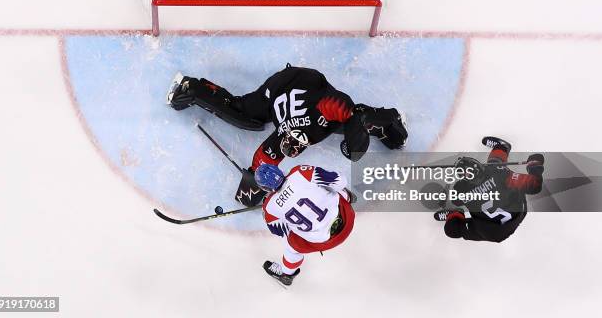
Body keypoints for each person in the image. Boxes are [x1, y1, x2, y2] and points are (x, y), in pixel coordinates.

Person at [167, 64, 408, 206]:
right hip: (278, 90)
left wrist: (355, 142)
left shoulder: (326, 109)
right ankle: (190, 87)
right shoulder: (282, 136)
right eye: (292, 148)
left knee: (351, 121)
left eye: (295, 148)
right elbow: (263, 159)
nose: (293, 151)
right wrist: (254, 185)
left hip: (308, 86)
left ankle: (389, 119)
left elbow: (350, 110)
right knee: (245, 116)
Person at [254, 163, 356, 286]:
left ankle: (287, 274)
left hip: (325, 241)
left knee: (290, 244)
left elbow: (278, 231)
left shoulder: (269, 208)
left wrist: (273, 205)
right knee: (331, 186)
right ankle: (348, 196)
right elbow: (341, 181)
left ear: (265, 188)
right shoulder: (299, 172)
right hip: (347, 218)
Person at [434, 136, 544, 243]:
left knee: (452, 230)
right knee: (495, 165)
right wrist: (535, 167)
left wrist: (445, 200)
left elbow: (454, 200)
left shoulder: (463, 189)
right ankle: (501, 147)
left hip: (491, 232)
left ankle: (454, 214)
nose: (466, 175)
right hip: (514, 215)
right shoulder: (500, 173)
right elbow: (535, 185)